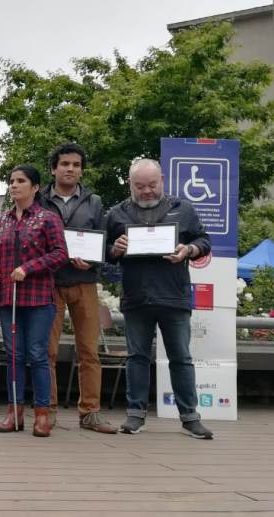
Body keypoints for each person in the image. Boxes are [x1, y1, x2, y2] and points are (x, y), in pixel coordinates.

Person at [106, 158, 213, 439]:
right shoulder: (116, 214)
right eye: (140, 186)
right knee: (137, 357)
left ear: (162, 180)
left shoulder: (184, 209)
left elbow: (204, 242)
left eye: (152, 185)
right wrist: (114, 249)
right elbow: (103, 254)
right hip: (136, 297)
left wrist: (187, 249)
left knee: (181, 358)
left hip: (173, 297)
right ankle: (135, 415)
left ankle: (190, 417)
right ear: (130, 184)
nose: (147, 191)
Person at [39, 143, 117, 433]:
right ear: (53, 168)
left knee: (89, 350)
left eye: (76, 164)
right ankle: (48, 409)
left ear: (81, 169)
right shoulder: (40, 199)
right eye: (64, 164)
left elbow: (102, 240)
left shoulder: (94, 201)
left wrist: (93, 263)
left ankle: (90, 413)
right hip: (50, 282)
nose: (70, 169)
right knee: (47, 351)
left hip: (84, 282)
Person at [0, 165, 68, 437]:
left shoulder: (48, 218)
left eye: (20, 181)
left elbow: (60, 254)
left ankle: (42, 414)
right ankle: (15, 412)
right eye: (11, 181)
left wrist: (29, 267)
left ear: (35, 187)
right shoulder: (4, 219)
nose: (14, 186)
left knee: (37, 355)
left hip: (38, 298)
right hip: (7, 297)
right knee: (14, 355)